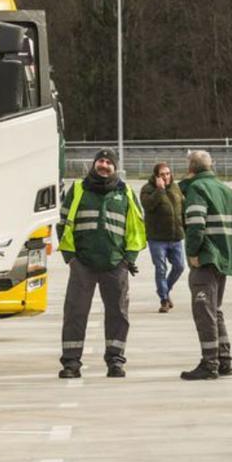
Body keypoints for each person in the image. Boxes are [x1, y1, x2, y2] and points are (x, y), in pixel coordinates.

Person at [56, 148, 147, 379]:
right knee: (75, 313)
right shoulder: (77, 190)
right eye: (100, 161)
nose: (104, 165)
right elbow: (63, 224)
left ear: (115, 167)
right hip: (82, 265)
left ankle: (115, 361)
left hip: (115, 265)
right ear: (94, 164)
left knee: (118, 314)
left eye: (108, 162)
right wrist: (71, 259)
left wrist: (129, 259)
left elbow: (136, 228)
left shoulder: (125, 192)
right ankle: (71, 363)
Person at [180, 149, 232, 380]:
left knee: (204, 311)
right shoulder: (227, 190)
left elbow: (196, 224)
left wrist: (193, 252)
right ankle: (224, 359)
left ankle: (210, 363)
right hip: (224, 258)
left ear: (190, 168)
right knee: (215, 310)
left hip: (206, 259)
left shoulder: (197, 189)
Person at [139, 161, 185, 313]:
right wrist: (159, 190)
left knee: (179, 267)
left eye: (168, 173)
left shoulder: (176, 188)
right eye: (162, 174)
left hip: (176, 236)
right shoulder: (147, 189)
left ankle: (164, 289)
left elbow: (182, 208)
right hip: (157, 238)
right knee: (161, 268)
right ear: (156, 176)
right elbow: (148, 206)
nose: (166, 177)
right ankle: (164, 299)